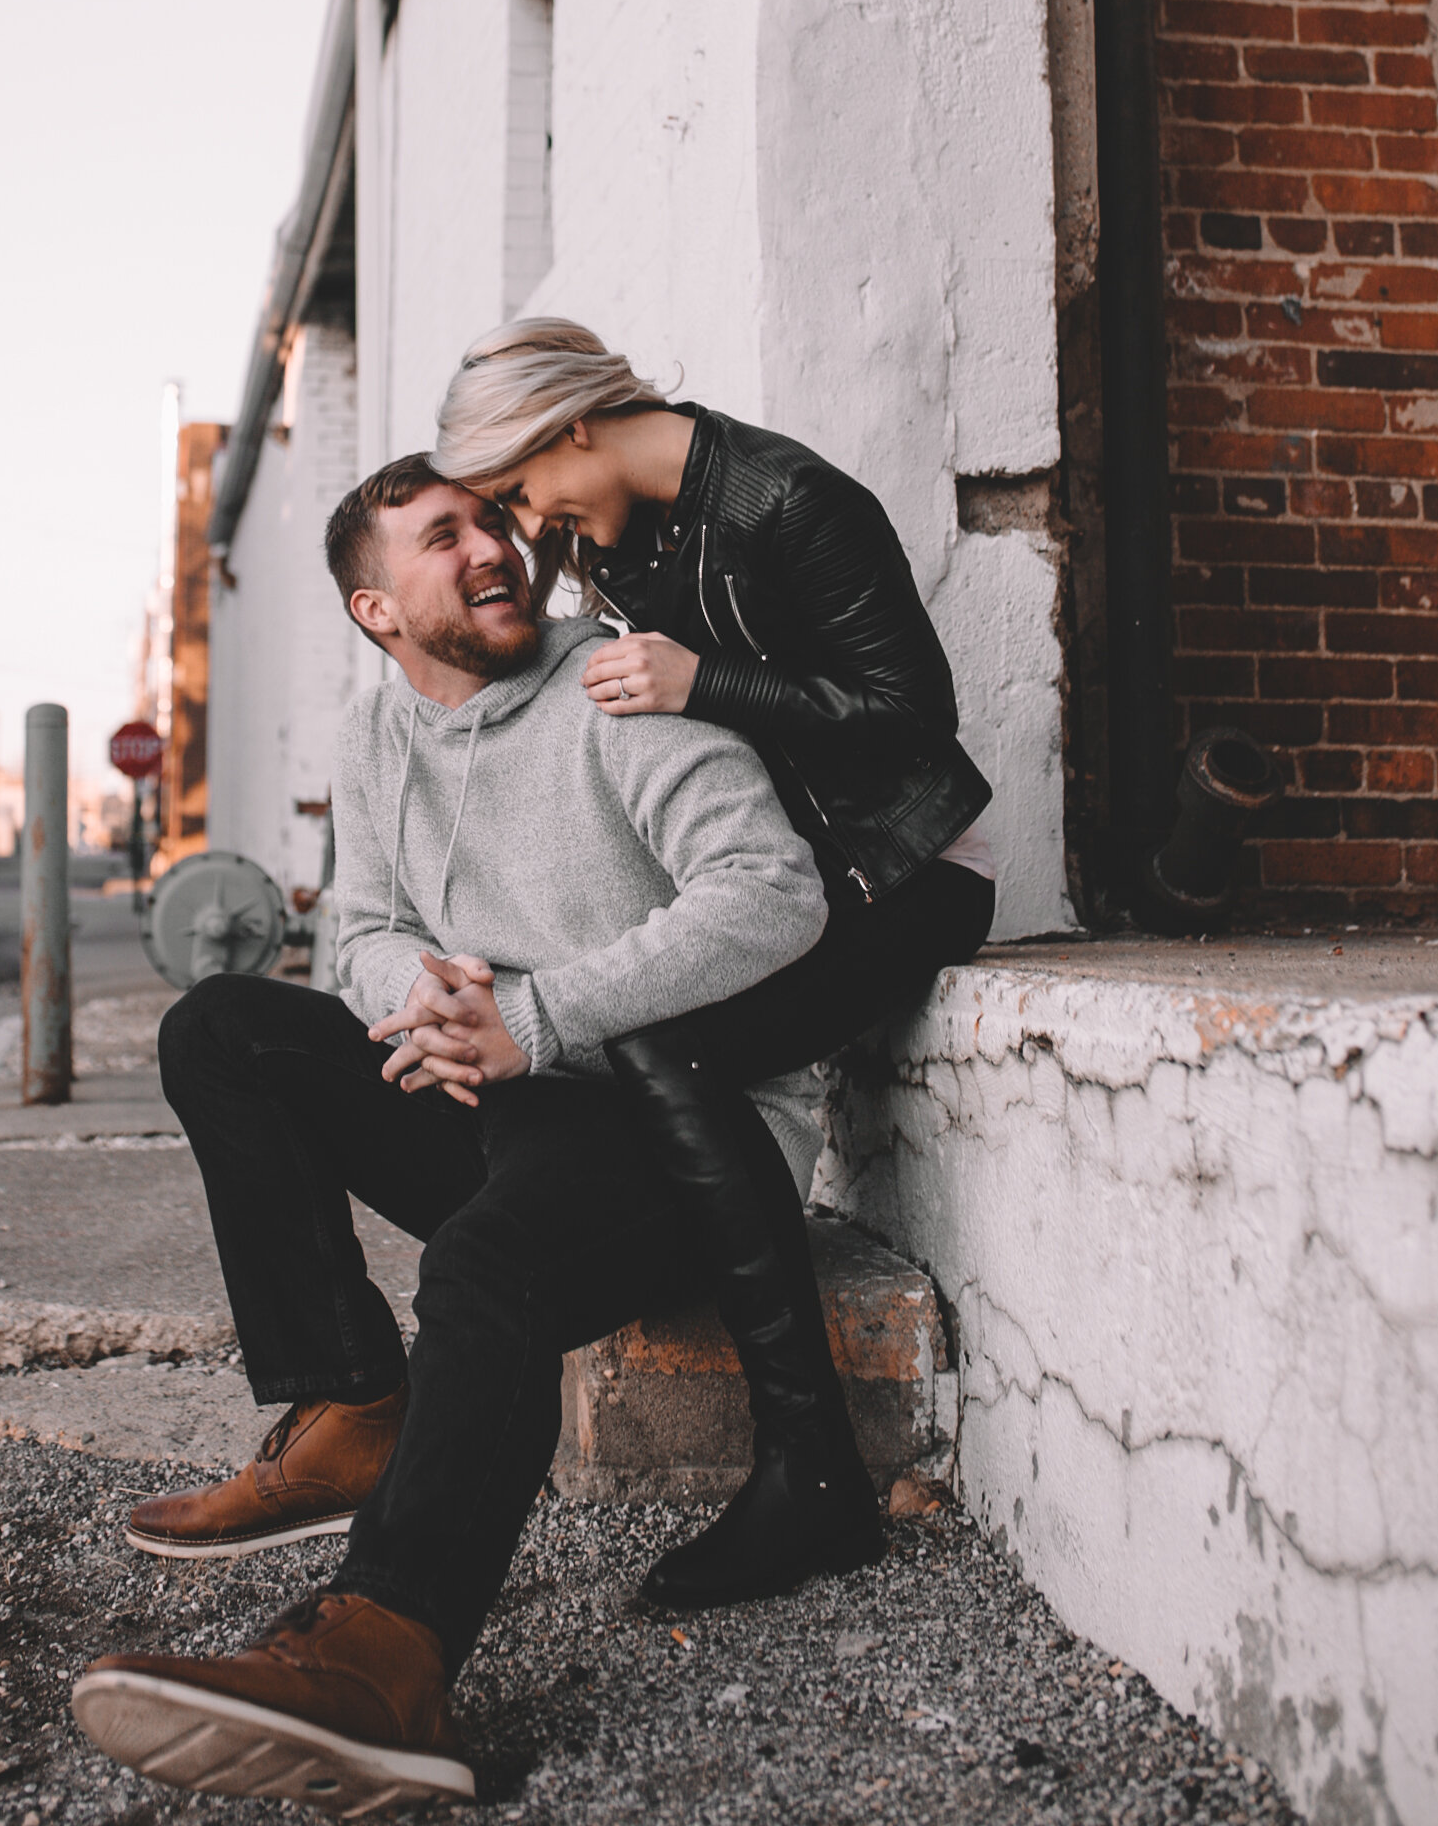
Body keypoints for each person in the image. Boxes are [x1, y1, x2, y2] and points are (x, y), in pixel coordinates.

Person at [72, 455, 854, 1814]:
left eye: (492, 521)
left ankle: (389, 1652)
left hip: (674, 1132)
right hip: (497, 1080)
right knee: (221, 1028)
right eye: (444, 538)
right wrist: (435, 1008)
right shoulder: (379, 732)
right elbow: (358, 934)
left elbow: (774, 894)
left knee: (483, 1266)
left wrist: (539, 1016)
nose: (491, 548)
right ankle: (353, 1408)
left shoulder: (613, 690)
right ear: (378, 610)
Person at [428, 318, 995, 1610]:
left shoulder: (794, 504)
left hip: (912, 870)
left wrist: (708, 681)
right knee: (642, 1019)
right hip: (809, 882)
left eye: (520, 488)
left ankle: (812, 1474)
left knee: (661, 1035)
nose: (523, 522)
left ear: (574, 426)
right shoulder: (621, 535)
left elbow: (915, 720)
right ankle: (790, 1450)